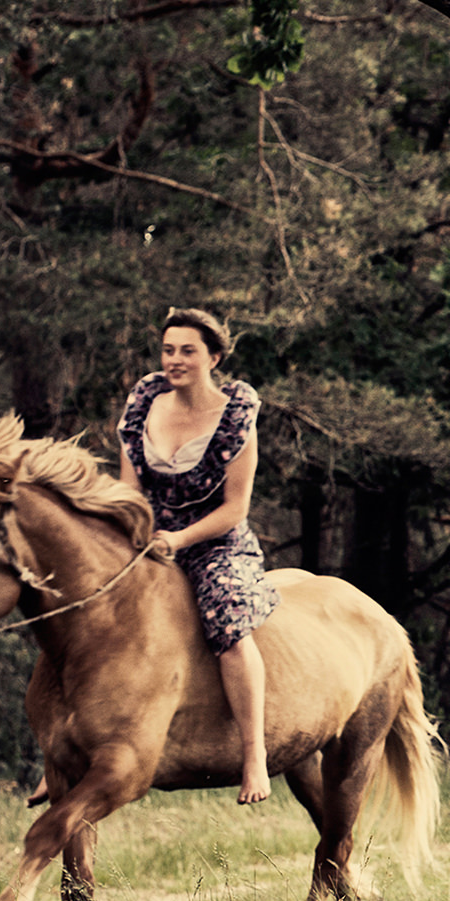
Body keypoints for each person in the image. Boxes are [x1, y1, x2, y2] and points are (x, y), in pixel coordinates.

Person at [118, 306, 281, 807]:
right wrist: (138, 535)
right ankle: (62, 754)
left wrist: (179, 539)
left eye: (188, 351)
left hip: (215, 541)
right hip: (150, 537)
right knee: (90, 604)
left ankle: (254, 754)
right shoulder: (144, 404)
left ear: (213, 357)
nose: (175, 360)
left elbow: (235, 508)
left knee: (228, 621)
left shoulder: (235, 419)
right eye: (168, 350)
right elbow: (129, 490)